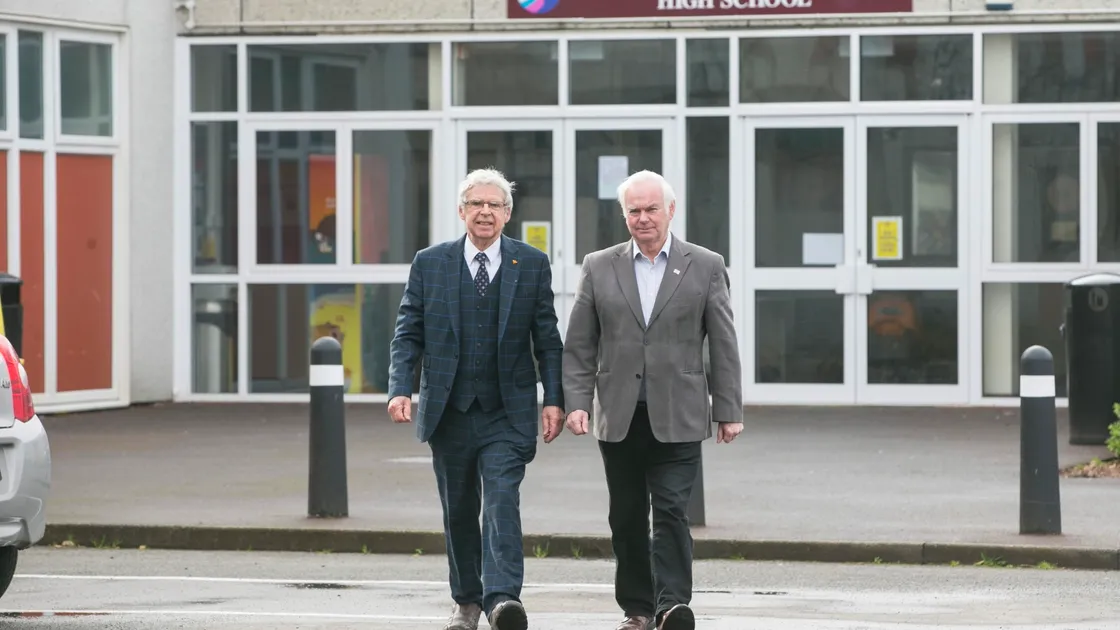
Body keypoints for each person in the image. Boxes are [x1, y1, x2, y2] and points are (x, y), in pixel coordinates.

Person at [560, 170, 744, 630]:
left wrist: (728, 410)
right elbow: (580, 343)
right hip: (619, 414)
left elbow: (722, 342)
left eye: (651, 209)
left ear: (671, 210)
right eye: (634, 211)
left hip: (679, 412)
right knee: (625, 517)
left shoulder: (705, 264)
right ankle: (638, 609)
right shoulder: (599, 265)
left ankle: (673, 605)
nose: (643, 218)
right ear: (625, 215)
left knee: (671, 511)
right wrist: (577, 402)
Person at [387, 168, 565, 630]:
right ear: (461, 211)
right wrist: (400, 387)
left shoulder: (531, 263)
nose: (485, 211)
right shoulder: (430, 263)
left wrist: (555, 398)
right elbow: (409, 333)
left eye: (495, 205)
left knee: (502, 500)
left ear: (507, 214)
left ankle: (503, 598)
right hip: (448, 410)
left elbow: (547, 338)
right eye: (476, 203)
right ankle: (467, 601)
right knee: (460, 507)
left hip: (507, 411)